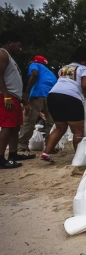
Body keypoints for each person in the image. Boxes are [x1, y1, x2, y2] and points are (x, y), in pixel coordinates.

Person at [41, 46, 86, 162]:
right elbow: (85, 85)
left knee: (60, 127)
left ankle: (46, 152)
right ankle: (79, 158)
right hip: (71, 97)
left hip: (53, 96)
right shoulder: (84, 69)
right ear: (84, 60)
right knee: (78, 130)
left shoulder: (63, 68)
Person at [0, 31, 35, 169]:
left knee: (15, 126)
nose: (20, 48)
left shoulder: (10, 57)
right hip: (6, 97)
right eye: (18, 45)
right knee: (7, 127)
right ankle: (1, 158)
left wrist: (23, 101)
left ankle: (13, 154)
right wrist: (6, 96)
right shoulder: (2, 54)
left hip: (14, 98)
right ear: (10, 42)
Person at [18, 55, 57, 152]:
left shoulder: (35, 65)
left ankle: (22, 145)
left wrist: (26, 92)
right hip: (51, 96)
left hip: (37, 94)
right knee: (50, 122)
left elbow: (34, 74)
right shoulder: (50, 73)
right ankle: (49, 146)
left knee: (29, 120)